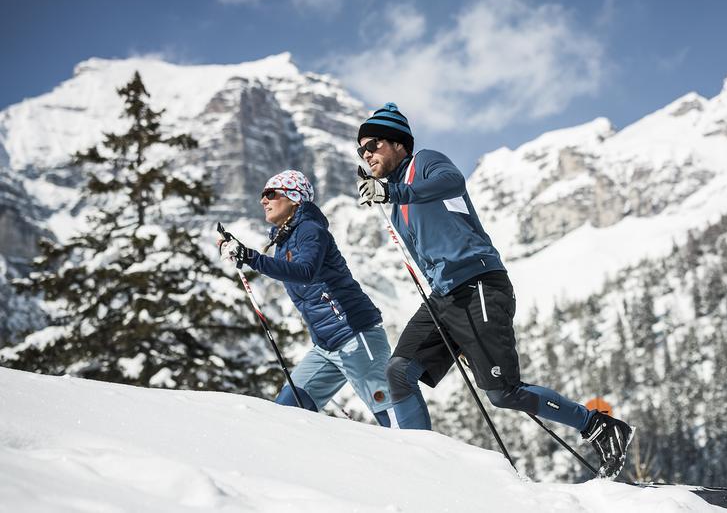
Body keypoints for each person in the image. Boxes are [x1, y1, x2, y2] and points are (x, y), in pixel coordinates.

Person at [354, 103, 635, 477]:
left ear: (398, 143)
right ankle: (418, 466)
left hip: (479, 286)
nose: (367, 154)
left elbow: (451, 183)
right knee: (399, 371)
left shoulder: (425, 163)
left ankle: (598, 426)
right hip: (445, 297)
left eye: (372, 145)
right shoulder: (395, 199)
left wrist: (396, 195)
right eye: (361, 150)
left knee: (504, 394)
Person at [219, 169, 394, 426]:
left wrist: (251, 257)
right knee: (286, 412)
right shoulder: (284, 243)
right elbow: (291, 270)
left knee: (390, 415)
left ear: (294, 198)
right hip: (326, 347)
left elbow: (306, 272)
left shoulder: (310, 229)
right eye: (262, 195)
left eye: (270, 194)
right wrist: (244, 255)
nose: (263, 200)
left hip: (356, 335)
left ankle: (431, 463)